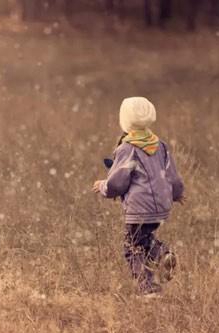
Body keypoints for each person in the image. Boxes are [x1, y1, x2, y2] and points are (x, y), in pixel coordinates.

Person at [92, 96, 185, 296]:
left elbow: (118, 182)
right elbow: (172, 176)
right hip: (161, 206)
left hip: (139, 207)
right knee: (143, 238)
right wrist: (177, 194)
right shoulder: (161, 146)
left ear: (124, 120)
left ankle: (148, 288)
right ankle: (164, 254)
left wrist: (103, 187)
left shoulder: (127, 148)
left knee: (132, 247)